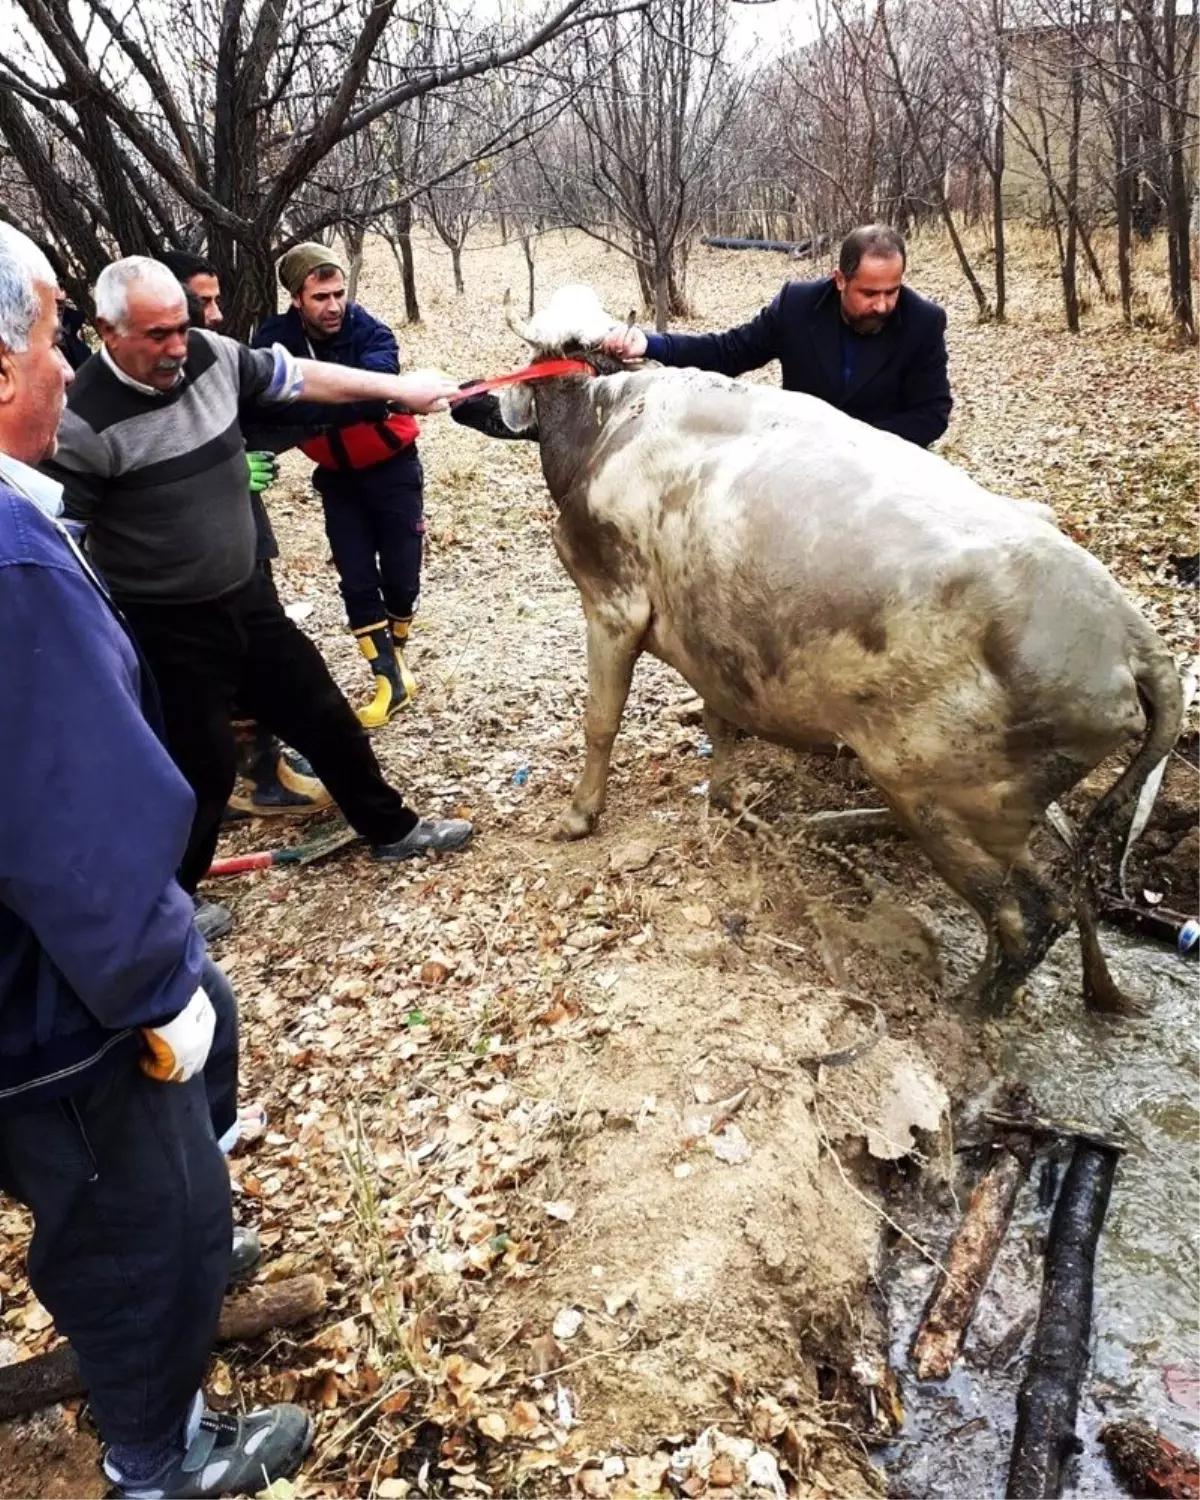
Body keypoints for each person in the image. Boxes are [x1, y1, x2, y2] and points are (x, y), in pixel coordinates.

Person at [0, 224, 312, 1499]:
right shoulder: (10, 563)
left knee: (215, 1035)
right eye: (46, 337)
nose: (64, 368)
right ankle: (158, 1458)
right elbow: (65, 809)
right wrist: (146, 988)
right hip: (48, 999)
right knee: (136, 1222)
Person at [45, 256, 474, 915]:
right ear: (107, 330)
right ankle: (167, 910)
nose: (177, 348)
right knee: (202, 769)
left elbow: (297, 377)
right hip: (167, 623)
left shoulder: (213, 355)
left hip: (245, 595)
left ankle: (391, 830)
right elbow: (61, 543)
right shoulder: (81, 423)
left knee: (327, 717)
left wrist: (396, 387)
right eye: (157, 335)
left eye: (181, 328)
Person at [162, 249, 331, 827]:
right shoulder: (151, 377)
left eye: (215, 299)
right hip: (199, 558)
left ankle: (264, 762)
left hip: (242, 536)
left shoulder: (209, 359)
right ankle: (257, 775)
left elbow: (280, 400)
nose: (214, 313)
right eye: (200, 301)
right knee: (241, 660)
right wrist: (227, 472)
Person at [254, 244, 427, 727]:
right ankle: (386, 679)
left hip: (394, 471)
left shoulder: (369, 328)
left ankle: (399, 658)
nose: (333, 307)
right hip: (338, 479)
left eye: (338, 294)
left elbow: (376, 392)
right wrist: (342, 401)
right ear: (295, 299)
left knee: (401, 576)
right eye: (319, 297)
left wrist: (310, 400)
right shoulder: (274, 338)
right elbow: (267, 401)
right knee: (355, 577)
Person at [602, 224, 952, 449]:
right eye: (869, 293)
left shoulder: (923, 321)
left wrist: (854, 441)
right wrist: (651, 344)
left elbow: (931, 413)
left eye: (892, 291)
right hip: (799, 463)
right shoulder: (797, 305)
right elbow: (729, 351)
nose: (882, 304)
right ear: (840, 280)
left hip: (887, 469)